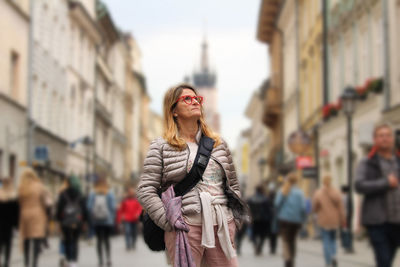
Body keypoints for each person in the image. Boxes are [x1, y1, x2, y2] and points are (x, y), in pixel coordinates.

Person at [137, 84, 247, 267]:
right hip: (186, 226)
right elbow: (145, 189)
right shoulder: (161, 146)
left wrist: (233, 219)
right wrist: (169, 221)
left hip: (222, 225)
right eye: (187, 99)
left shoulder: (219, 145)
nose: (195, 101)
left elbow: (232, 185)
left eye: (197, 98)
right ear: (173, 110)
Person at [355, 122, 400, 267]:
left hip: (397, 220)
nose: (385, 139)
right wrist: (385, 183)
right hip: (377, 221)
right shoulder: (367, 162)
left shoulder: (398, 161)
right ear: (375, 139)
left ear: (392, 139)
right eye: (381, 136)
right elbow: (359, 185)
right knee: (384, 260)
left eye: (388, 135)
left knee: (388, 259)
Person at [312, 176, 346, 267]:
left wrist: (317, 211)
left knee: (326, 241)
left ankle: (328, 261)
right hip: (334, 220)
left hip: (323, 220)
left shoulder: (318, 193)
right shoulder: (336, 192)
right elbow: (341, 207)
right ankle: (334, 255)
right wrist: (343, 218)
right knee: (333, 239)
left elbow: (314, 208)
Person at [18, 168, 48, 267]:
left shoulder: (21, 187)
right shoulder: (39, 186)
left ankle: (26, 263)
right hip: (37, 214)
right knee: (36, 239)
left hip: (25, 214)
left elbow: (19, 202)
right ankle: (34, 263)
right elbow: (44, 201)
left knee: (26, 239)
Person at [274, 173, 306, 267]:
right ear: (296, 181)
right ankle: (292, 257)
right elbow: (303, 208)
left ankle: (287, 258)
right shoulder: (299, 193)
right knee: (292, 240)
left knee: (285, 240)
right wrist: (302, 219)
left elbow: (277, 204)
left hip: (284, 220)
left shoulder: (283, 190)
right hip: (296, 221)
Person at [56, 176, 87, 267]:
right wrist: (85, 221)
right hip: (78, 221)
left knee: (67, 240)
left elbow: (59, 209)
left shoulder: (63, 194)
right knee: (75, 241)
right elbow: (84, 209)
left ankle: (68, 259)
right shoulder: (80, 194)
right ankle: (74, 261)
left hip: (66, 221)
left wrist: (59, 221)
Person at [87, 177, 116, 267]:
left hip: (97, 221)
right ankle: (108, 259)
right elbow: (112, 207)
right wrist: (111, 217)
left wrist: (93, 215)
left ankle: (100, 260)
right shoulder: (109, 193)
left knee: (99, 240)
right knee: (107, 240)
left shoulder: (93, 193)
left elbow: (89, 207)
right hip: (107, 221)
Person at [0, 177, 19, 267]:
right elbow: (16, 212)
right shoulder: (13, 196)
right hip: (9, 224)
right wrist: (16, 225)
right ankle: (6, 262)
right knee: (8, 244)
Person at [247, 185, 271, 255]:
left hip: (254, 219)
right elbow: (268, 210)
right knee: (263, 234)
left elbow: (248, 209)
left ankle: (255, 245)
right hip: (264, 219)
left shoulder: (251, 199)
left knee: (254, 234)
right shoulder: (266, 199)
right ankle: (260, 246)